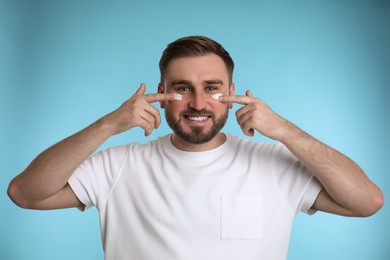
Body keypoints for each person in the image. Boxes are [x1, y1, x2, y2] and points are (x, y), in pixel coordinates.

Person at [8, 36, 383, 260]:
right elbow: (24, 193)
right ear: (162, 93)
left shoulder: (275, 163)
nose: (199, 103)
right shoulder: (119, 165)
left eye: (214, 87)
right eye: (183, 87)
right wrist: (108, 125)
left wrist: (284, 130)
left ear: (233, 92)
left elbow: (367, 202)